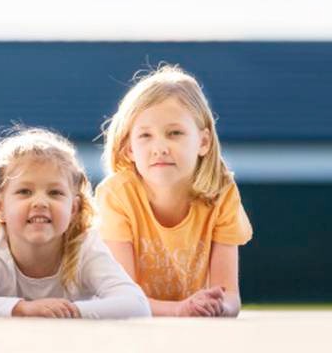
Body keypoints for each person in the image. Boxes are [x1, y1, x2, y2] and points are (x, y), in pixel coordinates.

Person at [0, 128, 148, 318]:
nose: (40, 202)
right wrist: (23, 309)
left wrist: (71, 312)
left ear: (73, 208)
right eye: (24, 192)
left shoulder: (84, 246)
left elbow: (136, 305)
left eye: (55, 193)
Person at [96, 64, 253, 317]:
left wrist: (215, 306)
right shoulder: (117, 196)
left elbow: (230, 296)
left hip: (189, 324)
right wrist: (180, 309)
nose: (160, 147)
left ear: (203, 141)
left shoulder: (222, 193)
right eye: (145, 136)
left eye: (174, 133)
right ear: (129, 150)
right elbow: (124, 300)